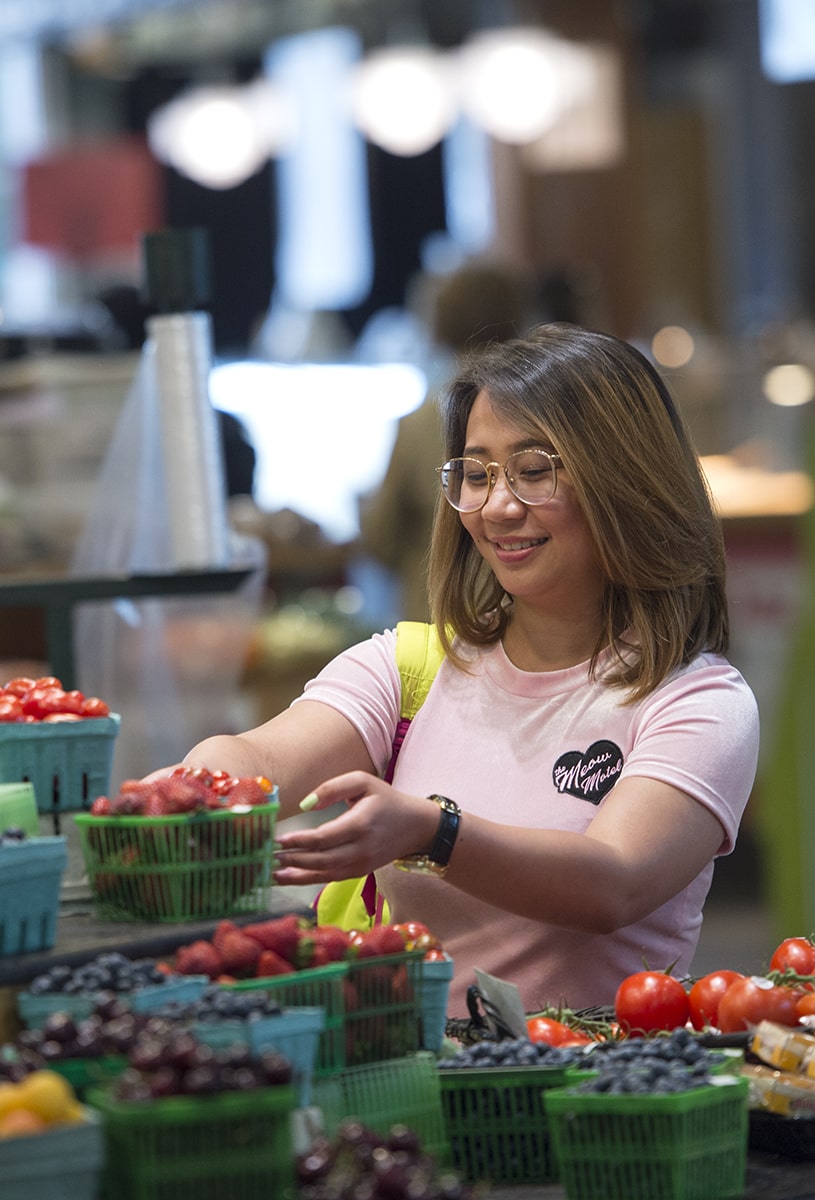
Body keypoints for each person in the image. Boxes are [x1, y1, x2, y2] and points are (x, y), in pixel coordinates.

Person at [162, 324, 759, 1013]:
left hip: (588, 1098)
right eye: (476, 475)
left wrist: (433, 831)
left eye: (535, 471)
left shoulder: (697, 700)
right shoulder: (409, 667)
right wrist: (193, 792)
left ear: (624, 478)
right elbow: (259, 755)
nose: (499, 507)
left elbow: (612, 884)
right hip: (408, 1092)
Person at [362, 260, 528, 622]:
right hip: (527, 622)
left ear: (439, 323)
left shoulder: (422, 420)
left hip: (441, 622)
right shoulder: (544, 407)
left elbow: (380, 538)